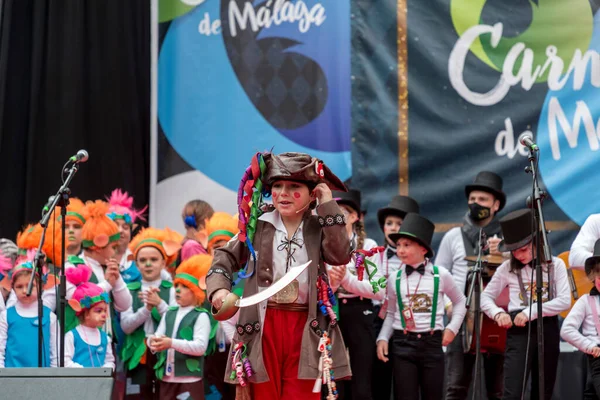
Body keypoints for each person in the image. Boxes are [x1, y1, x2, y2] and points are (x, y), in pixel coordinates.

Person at [207, 151, 352, 400]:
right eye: (277, 186)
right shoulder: (256, 224)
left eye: (293, 186)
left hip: (306, 327)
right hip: (262, 327)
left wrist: (328, 203)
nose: (283, 193)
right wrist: (219, 290)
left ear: (312, 192)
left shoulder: (320, 225)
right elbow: (224, 258)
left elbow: (340, 255)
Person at [480, 209, 570, 400]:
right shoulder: (507, 268)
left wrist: (530, 312)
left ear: (537, 242)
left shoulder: (555, 265)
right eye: (514, 251)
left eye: (523, 249)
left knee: (543, 390)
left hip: (546, 327)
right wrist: (497, 313)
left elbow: (564, 300)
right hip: (518, 330)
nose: (518, 255)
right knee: (513, 389)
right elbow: (484, 297)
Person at [376, 213, 467, 400]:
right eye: (399, 244)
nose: (400, 250)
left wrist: (452, 328)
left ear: (423, 249)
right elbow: (392, 312)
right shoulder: (395, 278)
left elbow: (460, 302)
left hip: (432, 344)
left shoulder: (440, 274)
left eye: (407, 245)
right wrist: (383, 338)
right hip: (403, 345)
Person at [436, 171, 506, 400]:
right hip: (461, 320)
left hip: (497, 320)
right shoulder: (453, 236)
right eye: (473, 199)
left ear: (496, 205)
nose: (476, 204)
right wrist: (447, 306)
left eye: (483, 200)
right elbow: (437, 275)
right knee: (456, 388)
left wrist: (505, 255)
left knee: (499, 390)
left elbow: (521, 275)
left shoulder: (508, 239)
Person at [328, 189, 382, 400]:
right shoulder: (325, 246)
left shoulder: (368, 247)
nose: (336, 217)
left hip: (361, 312)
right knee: (334, 379)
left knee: (361, 381)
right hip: (333, 312)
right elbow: (319, 292)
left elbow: (379, 290)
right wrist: (333, 283)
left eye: (341, 211)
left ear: (354, 216)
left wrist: (347, 281)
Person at [120, 228, 178, 399]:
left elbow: (176, 323)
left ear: (163, 263)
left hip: (165, 354)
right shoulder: (129, 290)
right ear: (136, 264)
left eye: (153, 259)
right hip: (138, 357)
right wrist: (146, 309)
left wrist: (159, 304)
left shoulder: (172, 290)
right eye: (143, 260)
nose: (148, 264)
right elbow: (126, 327)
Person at [372, 195, 419, 400]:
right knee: (378, 380)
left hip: (405, 325)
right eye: (389, 223)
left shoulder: (419, 262)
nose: (393, 228)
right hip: (376, 320)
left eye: (399, 224)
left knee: (405, 383)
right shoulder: (375, 254)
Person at [148, 254, 212, 400]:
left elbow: (201, 347)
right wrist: (153, 342)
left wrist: (171, 343)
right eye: (176, 285)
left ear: (196, 292)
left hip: (189, 381)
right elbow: (157, 335)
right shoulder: (169, 313)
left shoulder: (201, 316)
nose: (177, 290)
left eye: (184, 287)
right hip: (166, 379)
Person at [561, 239, 600, 399]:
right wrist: (589, 346)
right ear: (593, 276)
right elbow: (567, 330)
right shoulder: (586, 301)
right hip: (596, 358)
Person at [0, 262, 58, 367]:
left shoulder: (50, 317)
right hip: (11, 377)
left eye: (31, 286)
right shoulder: (6, 316)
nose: (25, 290)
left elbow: (55, 353)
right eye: (19, 286)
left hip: (43, 378)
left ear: (41, 287)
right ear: (13, 288)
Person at [64, 263, 115, 369]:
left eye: (105, 311)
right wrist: (83, 372)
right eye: (98, 311)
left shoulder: (105, 338)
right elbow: (65, 361)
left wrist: (105, 370)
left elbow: (110, 361)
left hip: (100, 384)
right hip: (78, 382)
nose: (104, 315)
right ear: (86, 313)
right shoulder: (72, 336)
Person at [106, 188, 148, 284]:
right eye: (116, 226)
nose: (120, 231)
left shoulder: (140, 259)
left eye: (125, 227)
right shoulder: (97, 259)